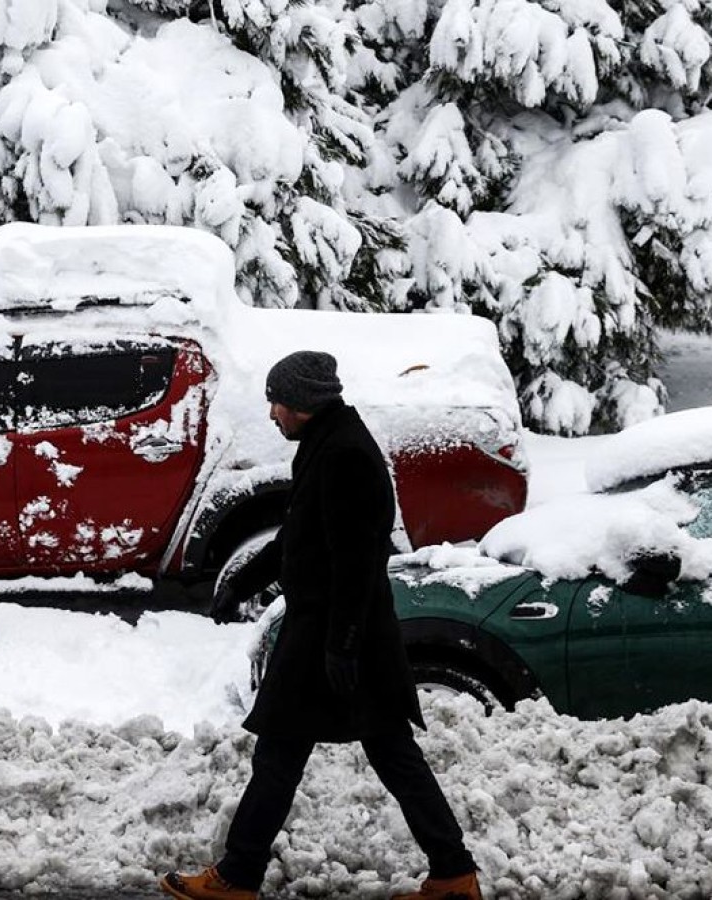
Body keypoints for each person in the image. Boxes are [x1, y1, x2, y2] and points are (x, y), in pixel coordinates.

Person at [160, 351, 483, 900]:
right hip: (337, 633)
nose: (271, 414)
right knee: (373, 753)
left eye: (277, 402)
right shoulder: (326, 446)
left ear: (303, 405)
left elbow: (356, 561)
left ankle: (238, 878)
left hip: (336, 636)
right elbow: (299, 535)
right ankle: (453, 873)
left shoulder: (346, 456)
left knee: (294, 755)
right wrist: (244, 580)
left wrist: (343, 646)